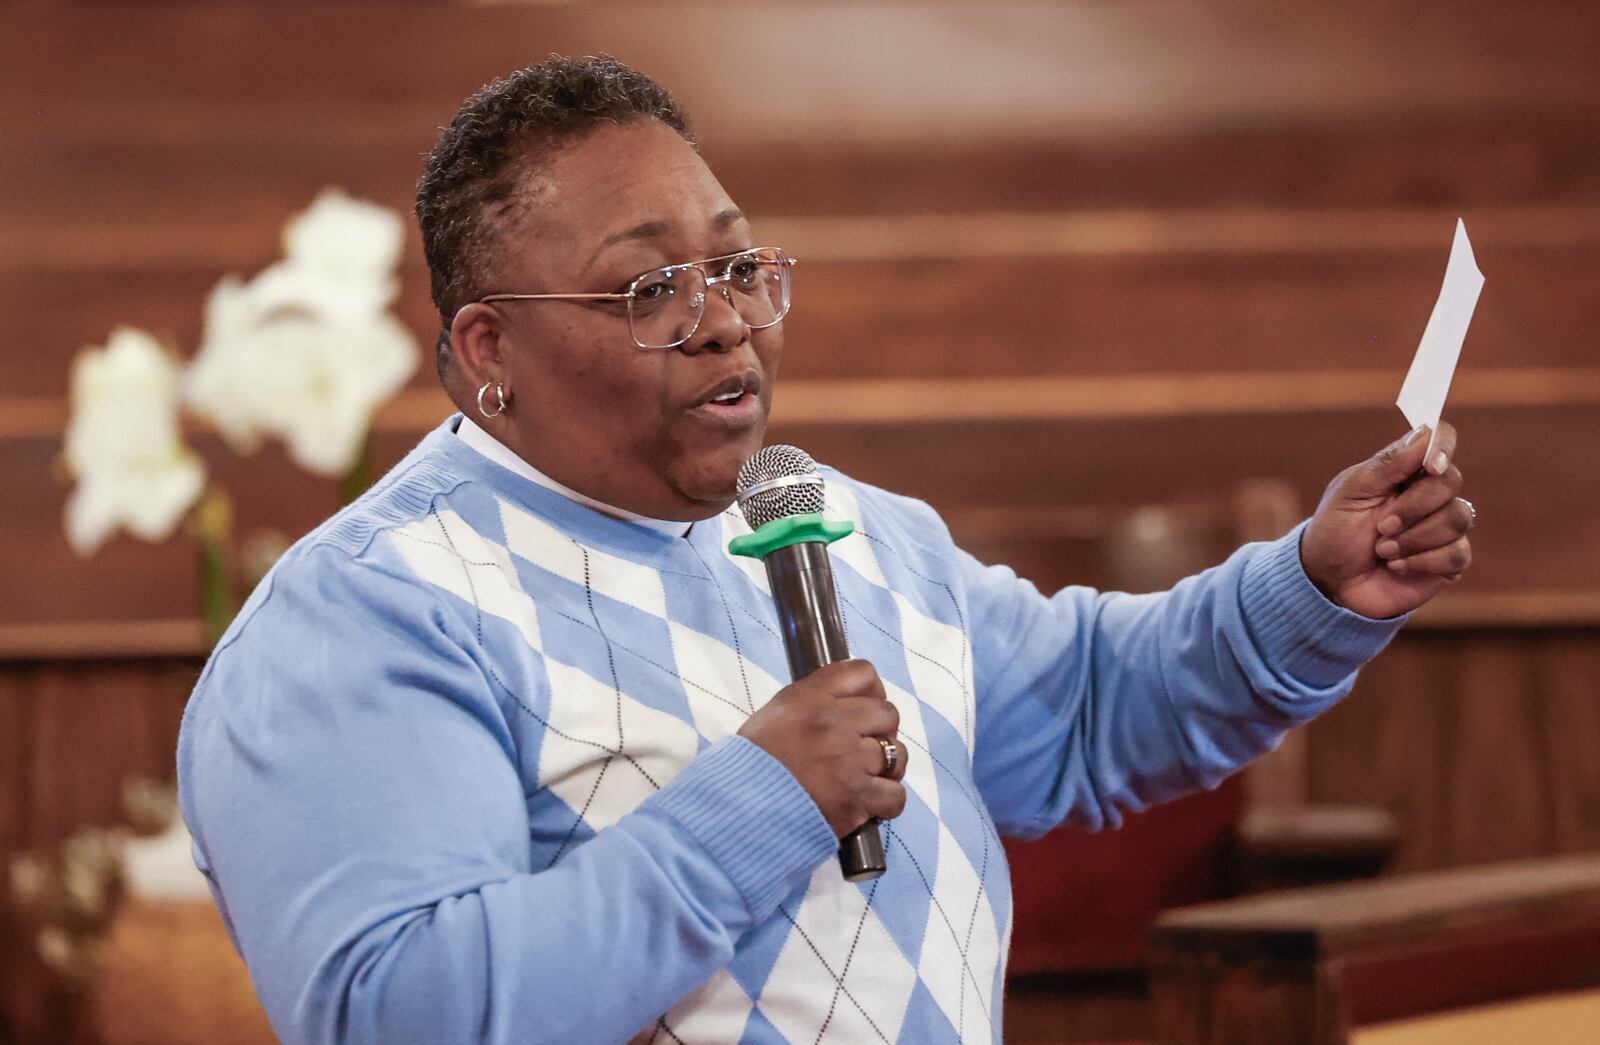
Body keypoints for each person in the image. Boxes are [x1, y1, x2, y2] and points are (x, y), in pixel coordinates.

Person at [177, 55, 1475, 1044]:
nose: (725, 323)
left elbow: (1087, 709)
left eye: (739, 268)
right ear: (488, 351)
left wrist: (1312, 587)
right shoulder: (370, 613)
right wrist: (765, 803)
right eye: (650, 290)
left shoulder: (843, 529)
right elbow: (398, 1010)